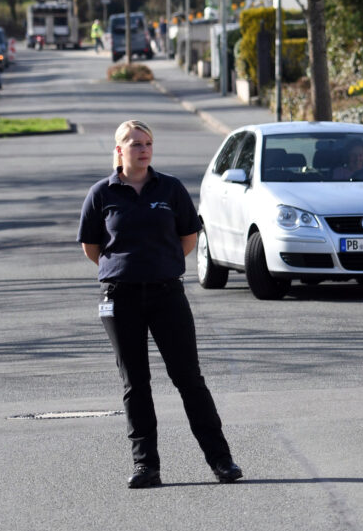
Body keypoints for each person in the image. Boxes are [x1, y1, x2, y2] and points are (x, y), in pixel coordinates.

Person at [77, 119, 242, 489]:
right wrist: (126, 268)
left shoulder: (170, 188)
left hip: (167, 293)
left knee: (189, 379)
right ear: (119, 150)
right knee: (135, 383)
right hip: (120, 298)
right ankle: (146, 466)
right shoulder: (102, 194)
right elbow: (93, 248)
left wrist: (161, 265)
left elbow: (187, 238)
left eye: (147, 142)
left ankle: (222, 461)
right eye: (134, 143)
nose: (143, 148)